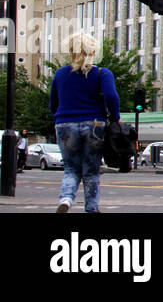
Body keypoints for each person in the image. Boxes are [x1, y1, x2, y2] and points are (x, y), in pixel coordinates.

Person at [49, 32, 120, 214]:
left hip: (65, 124)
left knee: (71, 168)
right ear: (93, 51)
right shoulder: (102, 73)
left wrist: (60, 118)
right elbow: (112, 96)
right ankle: (91, 208)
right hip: (94, 124)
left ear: (71, 51)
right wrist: (115, 117)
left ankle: (65, 199)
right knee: (91, 170)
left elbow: (53, 103)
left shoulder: (60, 74)